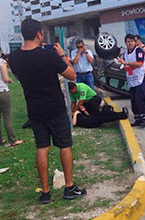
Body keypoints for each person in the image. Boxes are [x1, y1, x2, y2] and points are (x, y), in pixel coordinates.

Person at [8, 18, 86, 204]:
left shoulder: (14, 57)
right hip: (55, 108)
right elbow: (72, 74)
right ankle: (69, 187)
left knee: (41, 148)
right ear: (39, 34)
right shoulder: (48, 55)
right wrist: (61, 55)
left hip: (34, 109)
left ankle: (45, 192)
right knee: (64, 145)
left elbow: (19, 77)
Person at [0, 44, 25, 147]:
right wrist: (10, 80)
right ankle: (12, 140)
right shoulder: (1, 62)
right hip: (1, 91)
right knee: (7, 117)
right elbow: (6, 78)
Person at [117, 34, 145, 128]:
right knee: (134, 100)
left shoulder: (139, 50)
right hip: (132, 79)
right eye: (128, 41)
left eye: (132, 41)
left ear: (135, 42)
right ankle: (138, 119)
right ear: (125, 43)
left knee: (140, 99)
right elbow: (127, 67)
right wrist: (122, 65)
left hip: (142, 77)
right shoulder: (125, 53)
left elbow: (139, 64)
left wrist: (126, 63)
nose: (130, 43)